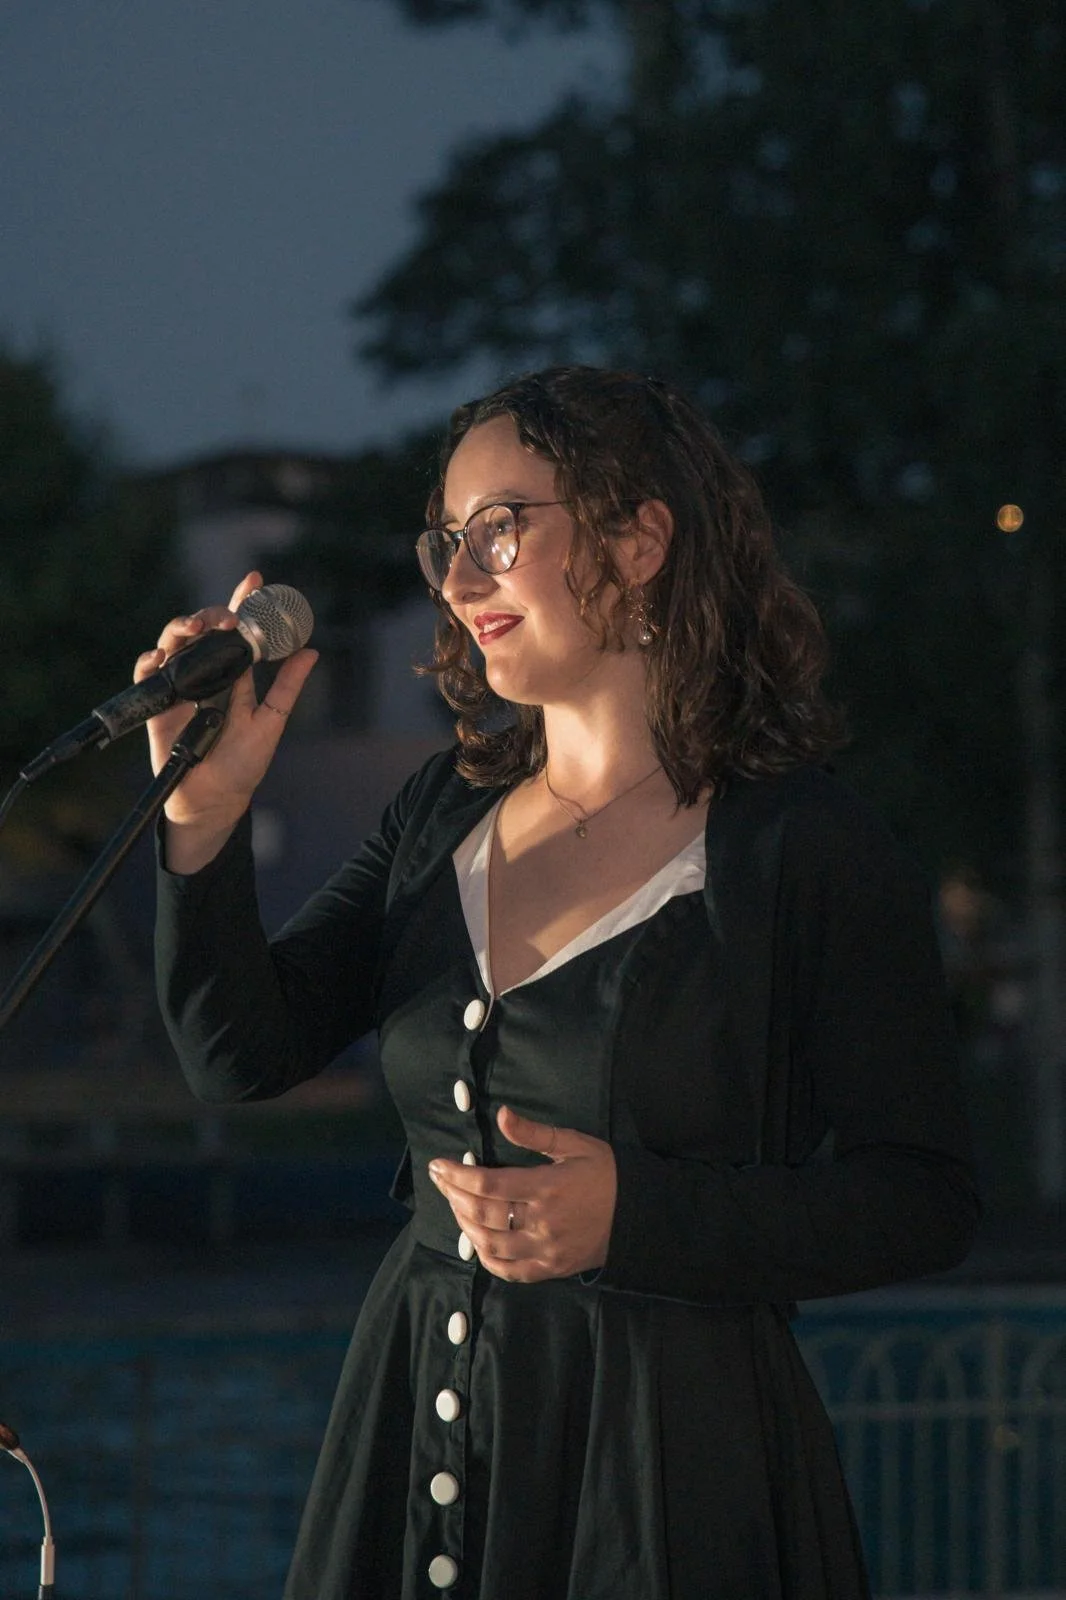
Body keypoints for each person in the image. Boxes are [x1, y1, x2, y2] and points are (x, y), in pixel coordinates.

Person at [147, 366, 979, 1599]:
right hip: (410, 1438)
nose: (459, 577)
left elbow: (923, 1197)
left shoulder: (804, 848)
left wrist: (636, 1217)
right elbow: (240, 1053)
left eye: (501, 528)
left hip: (664, 1476)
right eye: (446, 541)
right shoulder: (442, 813)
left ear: (641, 539)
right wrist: (205, 815)